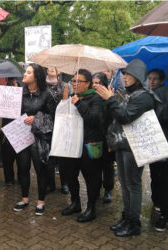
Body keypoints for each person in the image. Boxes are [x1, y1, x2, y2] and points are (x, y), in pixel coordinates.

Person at [94, 59, 155, 237]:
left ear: (138, 76)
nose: (125, 77)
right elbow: (115, 116)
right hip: (122, 144)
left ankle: (134, 223)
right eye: (124, 73)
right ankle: (127, 217)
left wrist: (110, 99)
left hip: (134, 147)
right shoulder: (128, 94)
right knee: (125, 183)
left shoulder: (144, 96)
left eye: (129, 74)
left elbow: (125, 116)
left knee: (133, 184)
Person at [10, 63, 57, 216]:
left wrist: (36, 118)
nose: (24, 75)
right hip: (22, 135)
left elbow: (53, 116)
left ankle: (41, 201)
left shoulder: (46, 94)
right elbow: (10, 109)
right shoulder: (19, 93)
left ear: (36, 76)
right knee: (23, 167)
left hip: (39, 137)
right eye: (25, 72)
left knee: (39, 169)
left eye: (28, 72)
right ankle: (24, 199)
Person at [60, 69, 105, 223]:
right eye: (73, 81)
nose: (75, 83)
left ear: (88, 84)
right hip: (72, 143)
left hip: (88, 144)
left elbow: (93, 119)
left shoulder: (96, 99)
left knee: (91, 178)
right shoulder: (73, 97)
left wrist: (78, 103)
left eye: (79, 81)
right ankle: (75, 203)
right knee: (70, 175)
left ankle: (91, 208)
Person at [147, 69, 168, 231]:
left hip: (160, 142)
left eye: (155, 79)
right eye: (150, 78)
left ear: (162, 81)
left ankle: (161, 210)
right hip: (155, 143)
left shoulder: (159, 94)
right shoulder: (150, 94)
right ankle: (158, 203)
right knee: (156, 174)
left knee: (160, 176)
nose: (152, 81)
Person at [92, 72, 115, 203]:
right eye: (93, 83)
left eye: (98, 83)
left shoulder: (109, 98)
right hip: (94, 136)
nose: (95, 85)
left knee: (107, 166)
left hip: (106, 137)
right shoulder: (89, 97)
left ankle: (108, 190)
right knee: (95, 165)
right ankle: (96, 189)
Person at [45, 67, 69, 194]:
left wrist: (65, 99)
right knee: (48, 155)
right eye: (50, 65)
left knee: (62, 157)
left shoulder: (65, 86)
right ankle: (50, 183)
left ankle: (64, 183)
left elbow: (69, 105)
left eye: (56, 66)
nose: (53, 68)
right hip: (46, 124)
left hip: (61, 124)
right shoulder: (41, 85)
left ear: (59, 71)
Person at [0, 77, 21, 186]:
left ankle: (21, 176)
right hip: (6, 127)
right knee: (7, 155)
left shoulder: (23, 91)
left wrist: (17, 90)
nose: (11, 82)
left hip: (19, 127)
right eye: (9, 80)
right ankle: (9, 178)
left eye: (13, 80)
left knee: (20, 156)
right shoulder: (1, 91)